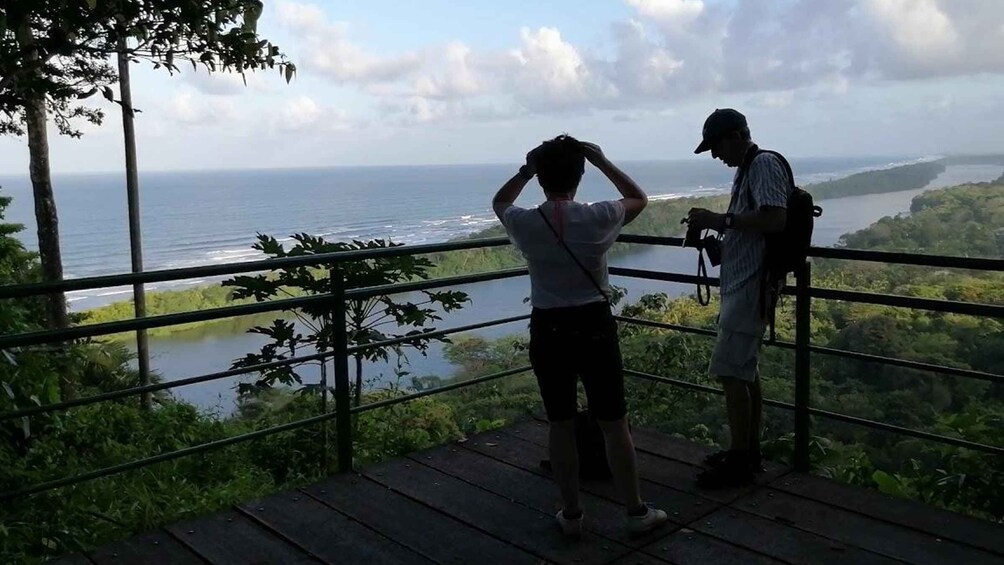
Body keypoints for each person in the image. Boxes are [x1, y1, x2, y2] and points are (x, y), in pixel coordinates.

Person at [491, 135, 668, 538]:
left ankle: (571, 515)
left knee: (561, 423)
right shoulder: (598, 216)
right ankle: (635, 511)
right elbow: (637, 198)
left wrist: (526, 168)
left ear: (540, 179)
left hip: (549, 327)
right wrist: (602, 159)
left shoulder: (527, 222)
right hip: (594, 325)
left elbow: (500, 202)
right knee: (614, 423)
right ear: (580, 175)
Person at [686, 108, 792, 488]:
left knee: (729, 371)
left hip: (753, 284)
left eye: (716, 145)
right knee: (745, 371)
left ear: (736, 135)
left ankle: (740, 459)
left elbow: (775, 219)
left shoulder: (762, 165)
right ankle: (747, 451)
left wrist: (721, 221)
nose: (716, 155)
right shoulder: (747, 169)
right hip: (745, 282)